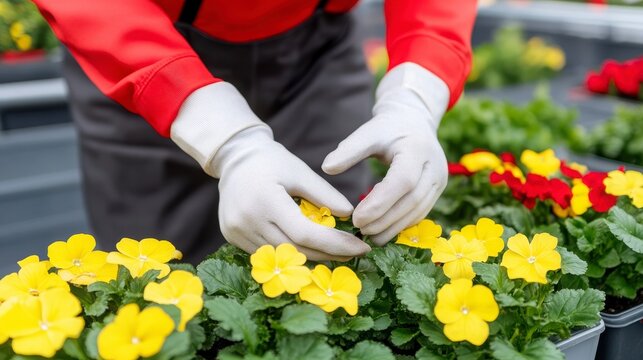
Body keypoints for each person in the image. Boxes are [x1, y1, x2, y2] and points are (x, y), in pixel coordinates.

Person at [33, 0, 476, 263]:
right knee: (157, 278)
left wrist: (416, 95)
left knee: (335, 249)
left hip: (317, 48)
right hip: (144, 42)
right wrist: (226, 139)